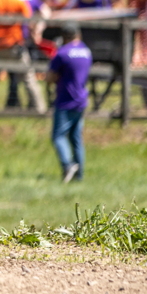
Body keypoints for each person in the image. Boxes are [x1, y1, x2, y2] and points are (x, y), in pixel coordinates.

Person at [45, 24, 91, 183]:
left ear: (64, 36)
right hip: (81, 100)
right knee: (76, 138)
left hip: (65, 100)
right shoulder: (87, 52)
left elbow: (50, 78)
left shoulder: (62, 53)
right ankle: (79, 177)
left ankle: (68, 164)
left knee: (58, 136)